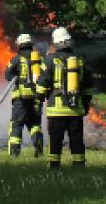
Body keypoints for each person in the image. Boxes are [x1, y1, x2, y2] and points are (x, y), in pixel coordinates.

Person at [35, 27, 93, 168]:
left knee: (55, 138)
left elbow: (42, 85)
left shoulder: (49, 60)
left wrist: (38, 101)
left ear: (55, 43)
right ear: (69, 42)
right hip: (75, 109)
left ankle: (54, 165)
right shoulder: (79, 62)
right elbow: (87, 88)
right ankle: (79, 164)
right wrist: (85, 106)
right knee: (77, 137)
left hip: (56, 110)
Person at [3, 33, 44, 157]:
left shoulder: (16, 59)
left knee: (16, 124)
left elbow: (7, 75)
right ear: (31, 44)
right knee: (34, 124)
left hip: (21, 99)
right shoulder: (39, 59)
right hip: (36, 98)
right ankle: (38, 142)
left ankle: (14, 153)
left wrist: (17, 78)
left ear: (19, 45)